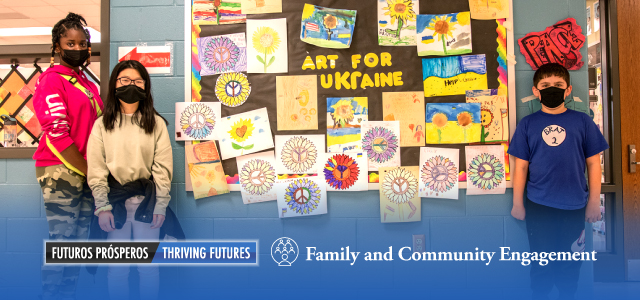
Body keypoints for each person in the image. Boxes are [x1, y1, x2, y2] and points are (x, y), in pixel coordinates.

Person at [508, 63, 609, 300]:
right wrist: (517, 203)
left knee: (570, 263)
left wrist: (594, 202)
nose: (551, 89)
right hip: (538, 206)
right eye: (545, 86)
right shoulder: (527, 124)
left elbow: (594, 164)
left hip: (574, 206)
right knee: (541, 263)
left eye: (558, 85)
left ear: (568, 90)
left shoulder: (583, 122)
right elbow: (520, 166)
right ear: (535, 91)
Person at [87, 60, 182, 300]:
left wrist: (160, 205)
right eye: (125, 80)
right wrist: (102, 207)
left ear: (146, 86)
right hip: (113, 205)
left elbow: (162, 169)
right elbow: (96, 169)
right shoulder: (101, 125)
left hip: (146, 204)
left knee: (148, 267)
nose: (131, 85)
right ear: (114, 84)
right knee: (116, 268)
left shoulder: (156, 124)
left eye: (138, 81)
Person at [32, 12, 102, 300]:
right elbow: (58, 134)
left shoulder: (83, 80)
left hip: (83, 170)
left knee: (77, 244)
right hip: (62, 170)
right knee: (61, 243)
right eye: (69, 44)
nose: (76, 48)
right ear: (57, 47)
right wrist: (89, 172)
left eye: (82, 43)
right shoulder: (52, 81)